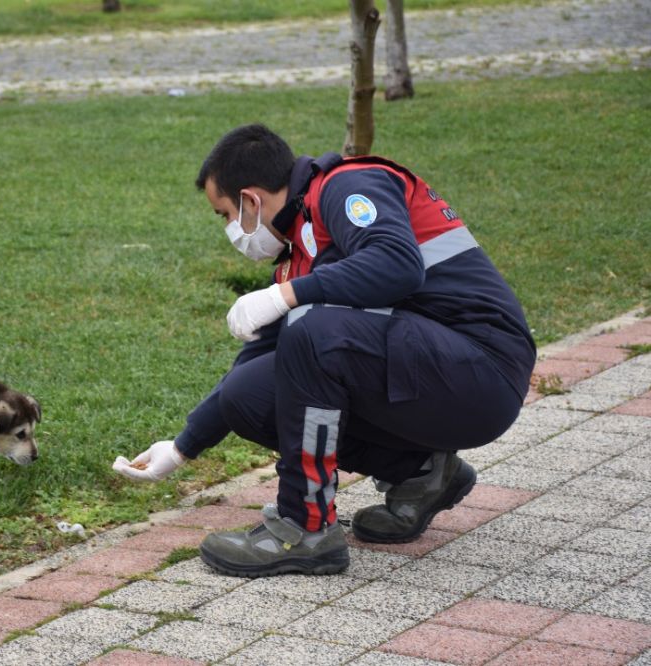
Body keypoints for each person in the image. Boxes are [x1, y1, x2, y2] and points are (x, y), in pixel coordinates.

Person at [113, 124, 536, 578]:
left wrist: (285, 296)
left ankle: (303, 528)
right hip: (437, 370)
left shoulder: (349, 186)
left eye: (225, 214)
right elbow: (262, 357)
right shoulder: (303, 242)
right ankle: (419, 473)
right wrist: (182, 447)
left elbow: (397, 265)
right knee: (248, 395)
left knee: (313, 330)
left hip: (484, 372)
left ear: (250, 200)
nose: (231, 230)